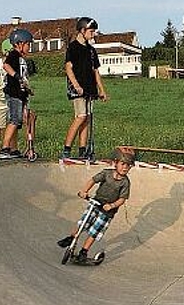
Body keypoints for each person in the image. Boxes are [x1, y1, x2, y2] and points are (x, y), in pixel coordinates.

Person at [57, 149, 134, 262]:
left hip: (107, 211)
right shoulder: (106, 173)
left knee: (94, 231)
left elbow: (122, 199)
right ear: (115, 163)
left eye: (128, 166)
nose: (125, 168)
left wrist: (112, 205)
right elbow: (92, 180)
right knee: (83, 223)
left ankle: (84, 251)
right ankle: (71, 238)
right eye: (123, 164)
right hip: (96, 203)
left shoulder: (125, 182)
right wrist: (84, 191)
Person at [62, 17, 108, 159]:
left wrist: (101, 90)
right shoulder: (73, 47)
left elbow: (96, 71)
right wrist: (76, 85)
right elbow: (68, 68)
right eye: (91, 31)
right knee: (80, 116)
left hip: (89, 88)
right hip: (77, 89)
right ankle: (66, 149)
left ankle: (82, 150)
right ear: (82, 31)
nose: (93, 34)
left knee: (86, 118)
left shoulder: (91, 50)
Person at [0, 29, 33, 159]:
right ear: (19, 44)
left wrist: (27, 88)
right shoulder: (14, 55)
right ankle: (5, 148)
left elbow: (23, 78)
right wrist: (17, 76)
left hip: (20, 94)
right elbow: (6, 66)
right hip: (13, 93)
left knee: (18, 121)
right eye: (28, 44)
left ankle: (13, 149)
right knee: (14, 119)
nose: (29, 47)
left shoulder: (22, 59)